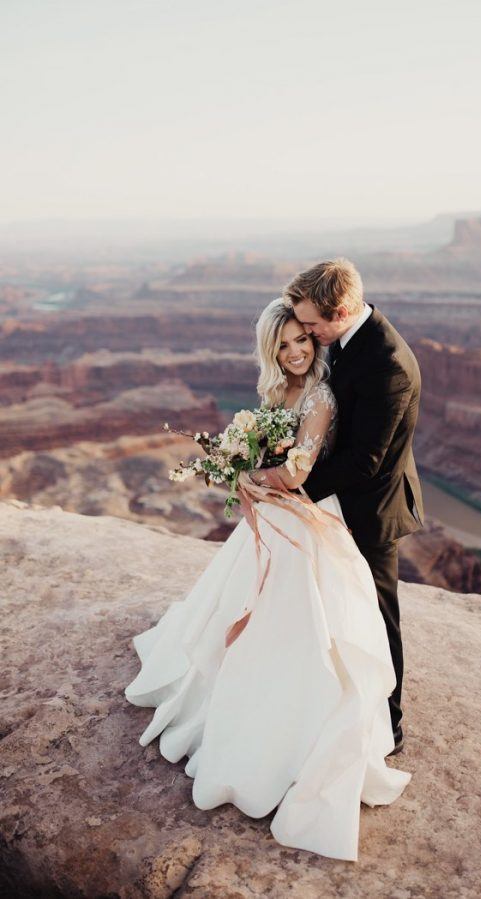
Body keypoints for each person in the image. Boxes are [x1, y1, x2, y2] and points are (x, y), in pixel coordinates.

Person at [124, 297, 412, 862]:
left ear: (314, 338)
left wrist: (250, 477)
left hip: (305, 514)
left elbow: (300, 468)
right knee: (238, 607)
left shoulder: (322, 396)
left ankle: (294, 724)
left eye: (302, 340)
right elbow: (270, 452)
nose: (297, 351)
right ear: (271, 352)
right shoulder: (275, 393)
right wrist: (242, 472)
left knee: (300, 622)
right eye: (284, 345)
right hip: (277, 509)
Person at [285, 258, 424, 755]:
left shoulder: (386, 363)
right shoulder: (345, 339)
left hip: (373, 510)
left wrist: (287, 484)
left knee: (379, 616)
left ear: (341, 310)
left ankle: (390, 727)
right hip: (338, 501)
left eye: (314, 325)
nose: (308, 333)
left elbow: (364, 462)